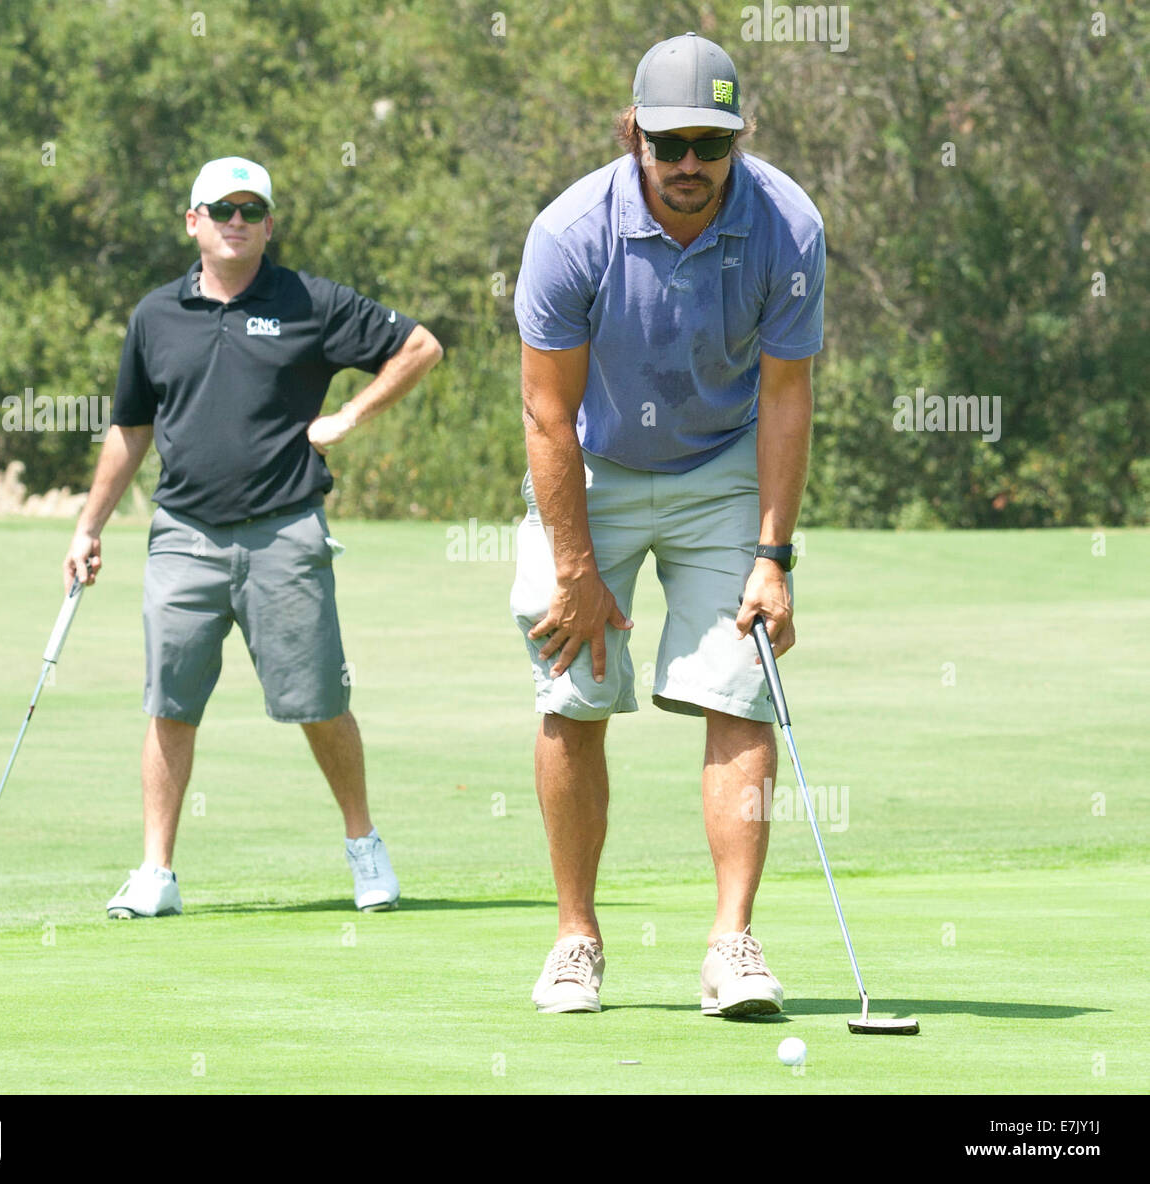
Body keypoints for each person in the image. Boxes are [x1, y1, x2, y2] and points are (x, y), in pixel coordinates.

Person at [511, 34, 823, 1014]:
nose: (689, 162)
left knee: (742, 684)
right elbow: (545, 413)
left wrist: (771, 555)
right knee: (573, 688)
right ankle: (575, 938)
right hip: (591, 467)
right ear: (632, 134)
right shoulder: (570, 232)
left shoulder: (786, 225)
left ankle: (731, 944)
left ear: (737, 141)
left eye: (710, 142)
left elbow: (785, 398)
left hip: (721, 463)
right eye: (669, 141)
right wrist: (574, 566)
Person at [63, 156, 442, 919]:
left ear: (269, 224)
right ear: (193, 221)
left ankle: (364, 848)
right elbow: (130, 430)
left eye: (251, 210)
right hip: (183, 532)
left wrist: (349, 416)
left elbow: (421, 347)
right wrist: (89, 525)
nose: (236, 221)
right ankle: (155, 873)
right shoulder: (155, 316)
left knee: (316, 699)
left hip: (285, 530)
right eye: (221, 209)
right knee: (170, 701)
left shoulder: (309, 300)